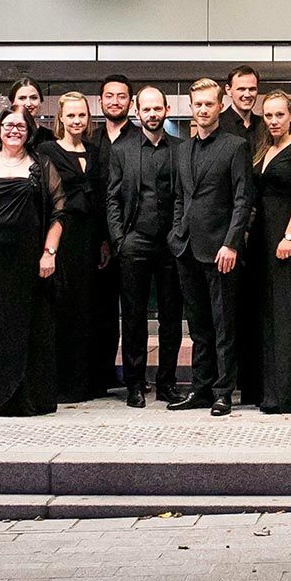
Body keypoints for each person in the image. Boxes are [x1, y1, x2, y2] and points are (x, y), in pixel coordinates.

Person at [0, 109, 65, 417]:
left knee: (32, 327)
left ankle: (31, 398)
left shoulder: (43, 166)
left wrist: (49, 253)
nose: (14, 130)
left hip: (30, 263)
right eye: (8, 125)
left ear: (29, 130)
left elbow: (59, 213)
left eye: (20, 125)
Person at [168, 78, 254, 416]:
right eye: (197, 104)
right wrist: (176, 234)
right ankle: (201, 389)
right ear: (191, 107)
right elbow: (180, 197)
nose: (203, 109)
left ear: (221, 105)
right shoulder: (183, 149)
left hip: (221, 251)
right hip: (186, 248)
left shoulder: (235, 146)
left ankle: (223, 392)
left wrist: (231, 243)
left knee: (223, 326)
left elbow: (243, 200)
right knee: (199, 326)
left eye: (209, 104)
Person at [105, 85, 184, 406]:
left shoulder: (181, 149)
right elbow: (111, 197)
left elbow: (186, 197)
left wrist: (180, 236)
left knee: (171, 317)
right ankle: (135, 383)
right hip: (134, 241)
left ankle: (166, 382)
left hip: (171, 245)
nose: (152, 114)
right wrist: (119, 240)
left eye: (157, 109)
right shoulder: (122, 150)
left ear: (166, 110)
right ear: (138, 113)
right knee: (134, 318)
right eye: (146, 110)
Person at [37, 92, 111, 404]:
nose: (77, 121)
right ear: (61, 119)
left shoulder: (96, 152)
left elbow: (104, 197)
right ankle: (60, 382)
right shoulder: (47, 150)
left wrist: (105, 240)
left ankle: (87, 382)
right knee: (61, 310)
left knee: (88, 311)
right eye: (71, 116)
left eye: (82, 116)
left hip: (91, 238)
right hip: (61, 238)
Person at [252, 92, 291, 413]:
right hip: (263, 240)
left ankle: (287, 396)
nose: (274, 121)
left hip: (286, 239)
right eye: (269, 116)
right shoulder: (265, 149)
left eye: (279, 115)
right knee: (269, 315)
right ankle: (270, 391)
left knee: (286, 315)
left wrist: (289, 235)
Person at [85, 74, 135, 395]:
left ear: (130, 102)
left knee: (132, 311)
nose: (115, 101)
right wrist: (102, 238)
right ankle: (100, 374)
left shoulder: (140, 138)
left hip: (131, 239)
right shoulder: (89, 141)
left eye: (121, 96)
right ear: (100, 101)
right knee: (99, 311)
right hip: (96, 240)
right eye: (109, 96)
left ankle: (134, 377)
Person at [7, 76, 56, 146]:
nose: (28, 103)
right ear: (12, 102)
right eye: (22, 98)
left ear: (41, 101)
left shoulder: (51, 137)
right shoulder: (1, 134)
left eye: (34, 98)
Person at [219, 65, 263, 142]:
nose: (247, 95)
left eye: (252, 89)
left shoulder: (264, 125)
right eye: (241, 89)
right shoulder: (217, 124)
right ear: (228, 90)